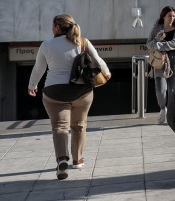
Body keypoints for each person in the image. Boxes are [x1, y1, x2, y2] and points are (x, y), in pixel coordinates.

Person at [27, 14, 112, 179]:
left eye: (53, 26)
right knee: (79, 125)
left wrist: (32, 86)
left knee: (60, 127)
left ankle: (62, 160)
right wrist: (107, 73)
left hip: (54, 92)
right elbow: (98, 60)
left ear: (57, 28)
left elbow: (38, 69)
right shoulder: (82, 42)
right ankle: (78, 160)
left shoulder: (46, 45)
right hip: (82, 92)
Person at [148, 6, 175, 125]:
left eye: (173, 16)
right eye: (169, 16)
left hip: (174, 60)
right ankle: (162, 109)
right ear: (164, 16)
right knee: (160, 88)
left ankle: (171, 111)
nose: (172, 18)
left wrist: (157, 45)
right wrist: (157, 39)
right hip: (159, 60)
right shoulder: (157, 28)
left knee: (173, 88)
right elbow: (149, 44)